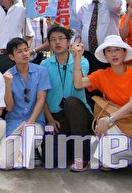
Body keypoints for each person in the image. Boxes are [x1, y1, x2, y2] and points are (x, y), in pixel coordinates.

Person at [72, 35, 132, 169]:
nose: (114, 54)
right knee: (106, 161)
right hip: (114, 122)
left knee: (110, 156)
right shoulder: (102, 74)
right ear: (105, 55)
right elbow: (78, 84)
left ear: (124, 52)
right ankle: (128, 156)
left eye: (117, 50)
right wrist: (77, 58)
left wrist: (109, 119)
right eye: (109, 51)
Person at [41, 25, 93, 171]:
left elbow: (79, 84)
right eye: (53, 40)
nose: (57, 42)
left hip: (79, 113)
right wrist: (50, 119)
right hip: (56, 116)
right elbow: (41, 95)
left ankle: (82, 157)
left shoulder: (82, 61)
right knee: (50, 160)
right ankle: (69, 145)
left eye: (61, 39)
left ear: (69, 42)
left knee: (71, 102)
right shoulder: (44, 64)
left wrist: (76, 58)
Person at [0, 38, 50, 169]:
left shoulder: (41, 71)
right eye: (20, 51)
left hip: (35, 121)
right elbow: (9, 107)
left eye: (26, 50)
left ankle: (26, 152)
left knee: (29, 136)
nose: (25, 54)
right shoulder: (7, 75)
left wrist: (30, 122)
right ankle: (25, 152)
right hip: (14, 121)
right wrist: (7, 85)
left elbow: (41, 99)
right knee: (4, 164)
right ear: (12, 56)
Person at [76, 0, 122, 73]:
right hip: (87, 56)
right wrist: (76, 43)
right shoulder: (84, 9)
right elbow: (79, 32)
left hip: (108, 54)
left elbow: (115, 3)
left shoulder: (111, 5)